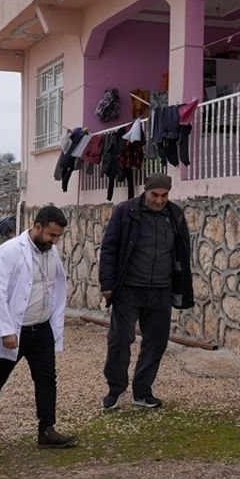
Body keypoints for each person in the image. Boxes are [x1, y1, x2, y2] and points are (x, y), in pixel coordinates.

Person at [0, 206, 78, 449]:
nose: (54, 241)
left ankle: (46, 430)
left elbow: (54, 287)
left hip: (41, 327)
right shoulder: (9, 251)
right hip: (15, 328)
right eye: (51, 235)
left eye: (58, 237)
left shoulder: (50, 253)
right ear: (37, 227)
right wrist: (6, 330)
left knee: (46, 378)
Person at [98, 173, 194, 410]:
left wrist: (181, 286)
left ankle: (142, 391)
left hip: (161, 291)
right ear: (146, 191)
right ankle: (115, 389)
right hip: (129, 289)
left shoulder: (175, 215)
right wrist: (107, 284)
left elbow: (182, 252)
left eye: (164, 195)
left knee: (156, 342)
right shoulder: (125, 212)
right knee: (120, 340)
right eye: (155, 195)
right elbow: (109, 248)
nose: (160, 200)